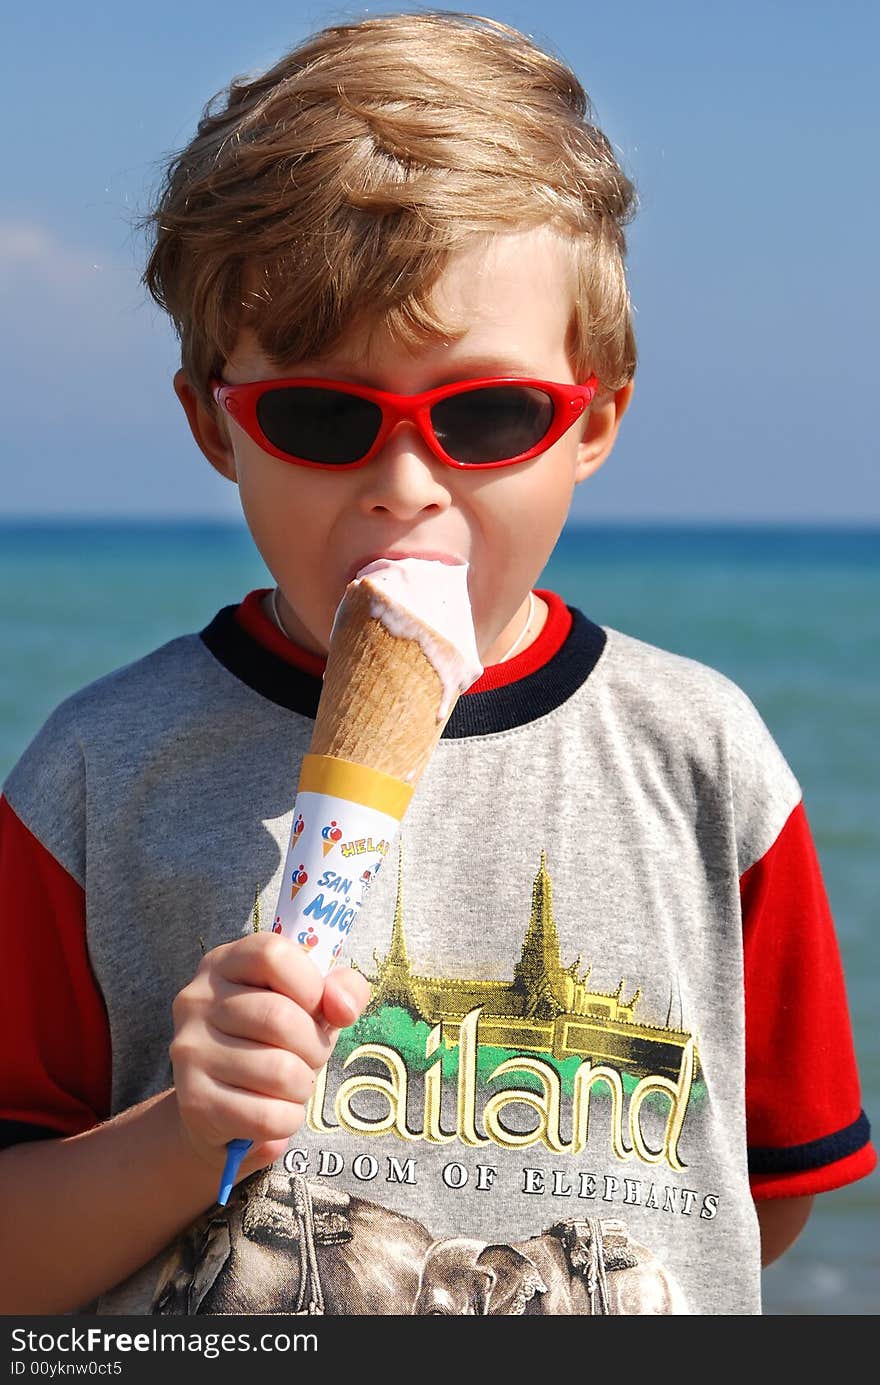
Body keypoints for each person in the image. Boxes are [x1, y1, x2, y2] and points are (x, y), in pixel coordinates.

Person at [0, 10, 874, 1317]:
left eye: (489, 413)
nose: (403, 485)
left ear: (596, 418)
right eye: (319, 414)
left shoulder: (706, 761)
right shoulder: (98, 775)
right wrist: (179, 1141)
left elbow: (767, 1192)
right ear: (211, 425)